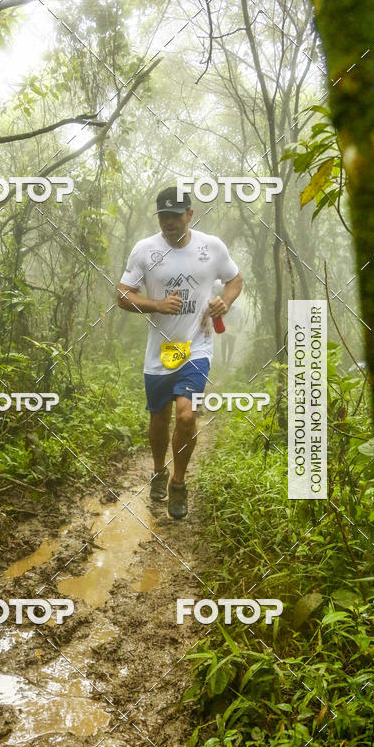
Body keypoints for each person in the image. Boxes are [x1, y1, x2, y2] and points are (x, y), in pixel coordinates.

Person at [116, 186, 243, 518]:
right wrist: (156, 304)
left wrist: (224, 301)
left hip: (196, 348)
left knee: (186, 416)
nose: (169, 222)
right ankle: (158, 469)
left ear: (189, 214)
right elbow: (122, 295)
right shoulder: (145, 250)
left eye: (175, 215)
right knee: (159, 418)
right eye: (163, 217)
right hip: (158, 351)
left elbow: (235, 280)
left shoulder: (211, 247)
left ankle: (178, 483)